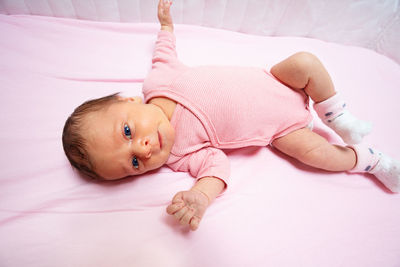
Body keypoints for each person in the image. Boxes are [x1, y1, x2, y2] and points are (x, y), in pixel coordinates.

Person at [62, 0, 400, 231]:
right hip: (282, 130)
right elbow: (215, 168)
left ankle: (338, 117)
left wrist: (165, 26)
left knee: (305, 62)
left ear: (128, 100)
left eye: (126, 132)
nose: (145, 147)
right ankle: (374, 161)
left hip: (279, 80)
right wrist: (201, 196)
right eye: (135, 163)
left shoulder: (158, 81)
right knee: (320, 156)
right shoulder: (180, 155)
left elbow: (165, 52)